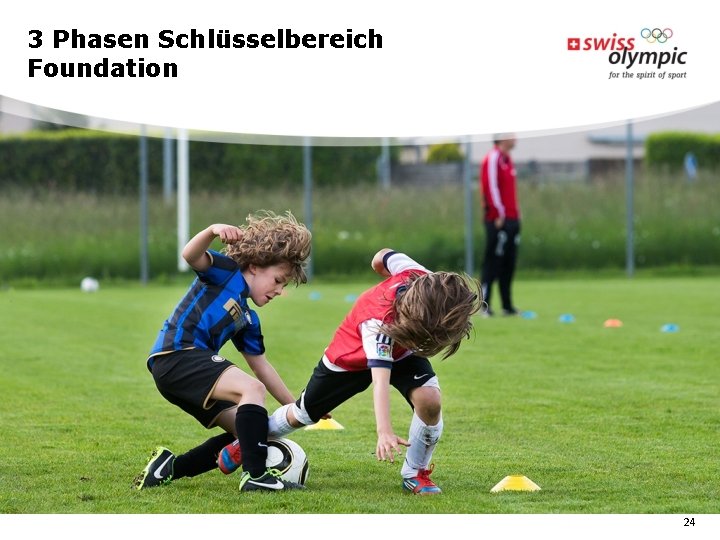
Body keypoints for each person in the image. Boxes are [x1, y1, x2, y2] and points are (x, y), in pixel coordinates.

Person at [217, 249, 482, 495]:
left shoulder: (423, 278)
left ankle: (415, 472)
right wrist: (384, 430)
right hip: (348, 359)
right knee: (302, 414)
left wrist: (380, 267)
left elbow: (383, 255)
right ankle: (250, 441)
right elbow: (380, 381)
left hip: (403, 349)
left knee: (430, 399)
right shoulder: (378, 323)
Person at [132, 210, 311, 492]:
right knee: (252, 390)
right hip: (177, 354)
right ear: (255, 266)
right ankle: (256, 477)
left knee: (253, 432)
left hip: (181, 372)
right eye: (277, 280)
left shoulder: (249, 319)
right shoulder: (226, 273)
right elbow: (190, 255)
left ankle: (169, 468)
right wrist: (212, 230)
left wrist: (301, 407)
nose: (279, 290)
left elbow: (262, 366)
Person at [479, 133, 521, 316]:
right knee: (493, 262)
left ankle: (507, 305)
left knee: (508, 263)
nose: (515, 137)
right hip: (498, 220)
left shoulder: (508, 159)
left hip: (512, 219)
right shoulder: (493, 158)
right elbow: (490, 186)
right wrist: (498, 213)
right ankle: (484, 305)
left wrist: (517, 214)